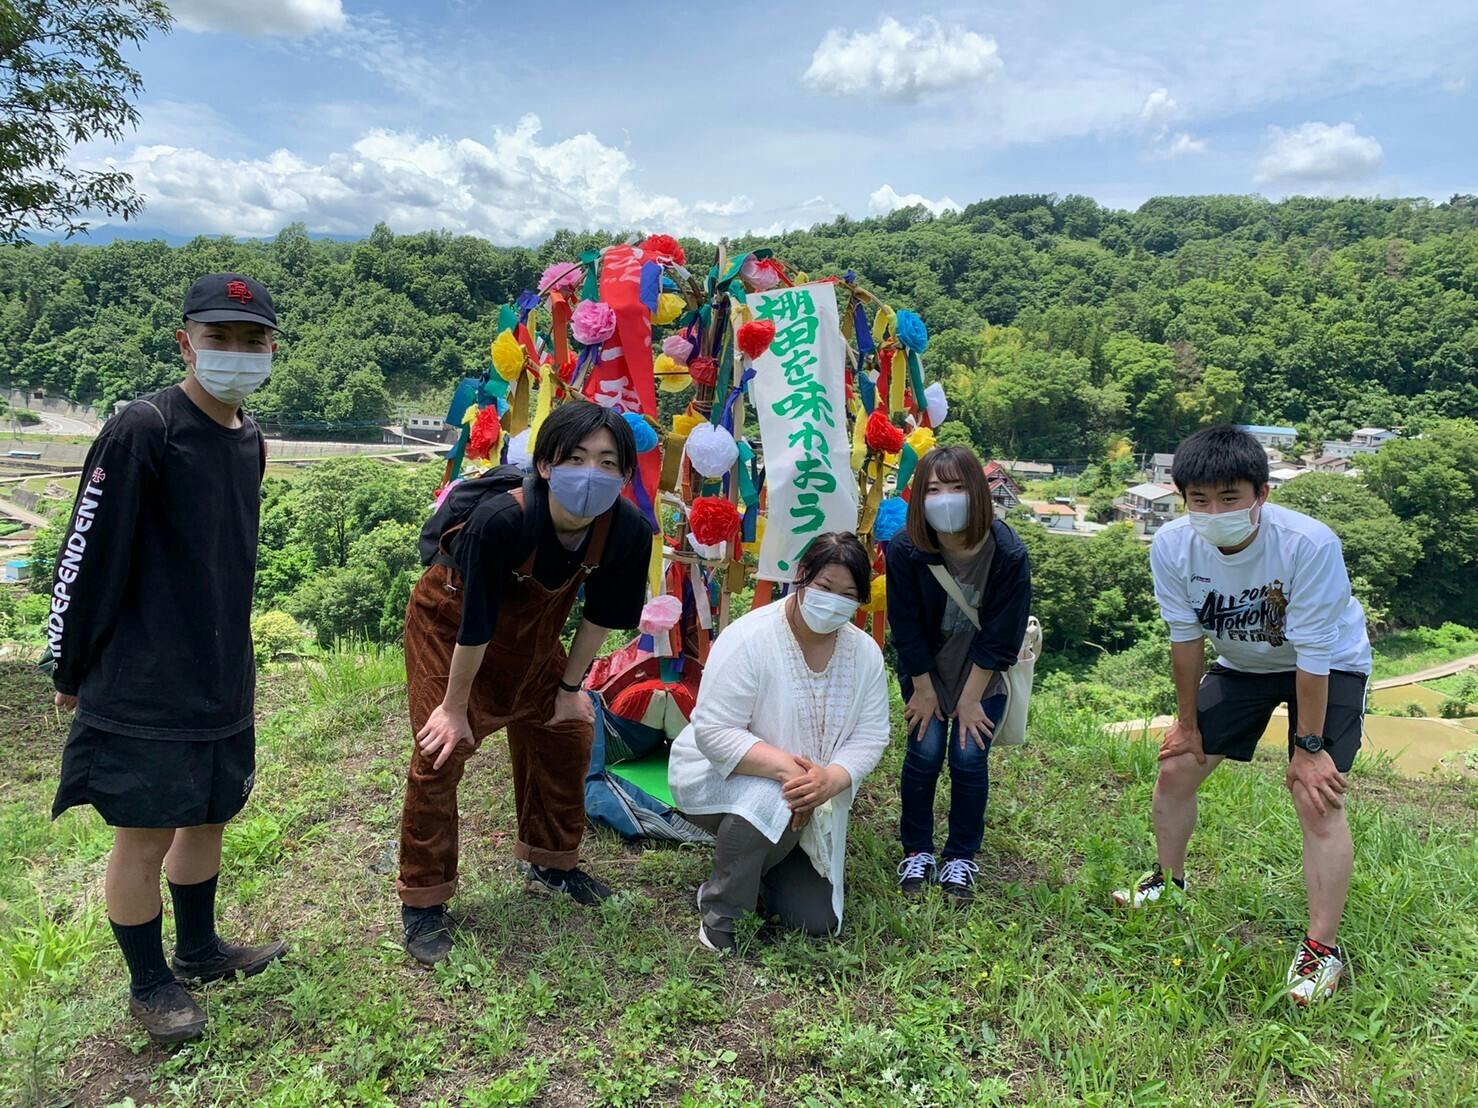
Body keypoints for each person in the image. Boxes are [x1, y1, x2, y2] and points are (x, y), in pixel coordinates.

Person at [47, 273, 288, 1043]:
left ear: (272, 350)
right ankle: (150, 986)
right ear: (186, 342)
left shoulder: (248, 437)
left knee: (210, 815)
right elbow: (87, 555)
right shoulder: (143, 429)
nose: (236, 352)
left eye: (252, 340)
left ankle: (200, 951)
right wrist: (69, 664)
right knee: (145, 834)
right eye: (219, 337)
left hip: (220, 674)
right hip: (143, 679)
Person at [1113, 426, 1371, 1005]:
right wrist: (1187, 723)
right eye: (1199, 499)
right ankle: (1169, 883)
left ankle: (1321, 949)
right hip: (1244, 663)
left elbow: (1313, 651)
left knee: (1316, 794)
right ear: (1181, 498)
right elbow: (1185, 639)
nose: (1214, 512)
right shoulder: (1172, 546)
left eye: (1230, 498)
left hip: (1329, 663)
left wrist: (1308, 749)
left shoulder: (1308, 544)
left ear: (1262, 494)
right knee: (1176, 767)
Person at [398, 401, 651, 965]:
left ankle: (551, 864)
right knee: (441, 751)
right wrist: (454, 709)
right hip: (450, 626)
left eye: (608, 462)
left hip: (536, 635)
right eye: (576, 458)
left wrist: (568, 691)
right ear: (545, 465)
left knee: (565, 733)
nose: (591, 473)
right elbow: (475, 623)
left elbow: (600, 617)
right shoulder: (502, 520)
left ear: (625, 475)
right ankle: (424, 900)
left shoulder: (628, 530)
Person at [668, 533, 890, 953]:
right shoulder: (751, 637)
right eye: (825, 587)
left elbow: (871, 734)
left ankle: (751, 869)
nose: (834, 601)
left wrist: (831, 778)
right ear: (802, 576)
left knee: (814, 920)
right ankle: (721, 913)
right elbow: (714, 732)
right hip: (720, 775)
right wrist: (792, 773)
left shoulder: (864, 654)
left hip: (810, 793)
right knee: (777, 798)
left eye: (848, 595)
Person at [885, 446, 1032, 904]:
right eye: (933, 489)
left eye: (955, 487)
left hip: (982, 674)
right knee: (925, 751)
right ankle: (917, 850)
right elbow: (905, 626)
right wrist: (923, 689)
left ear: (977, 492)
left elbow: (1002, 636)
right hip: (925, 671)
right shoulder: (906, 550)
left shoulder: (1007, 554)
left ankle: (961, 856)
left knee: (969, 756)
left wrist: (970, 699)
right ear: (919, 499)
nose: (945, 498)